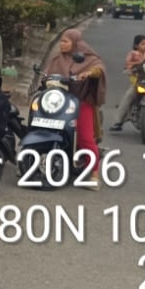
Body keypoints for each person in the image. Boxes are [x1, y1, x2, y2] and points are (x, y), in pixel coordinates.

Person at [43, 29, 106, 190]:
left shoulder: (89, 58)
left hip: (80, 101)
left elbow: (98, 69)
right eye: (61, 41)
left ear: (75, 43)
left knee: (85, 138)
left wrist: (88, 73)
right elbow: (46, 74)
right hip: (57, 101)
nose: (61, 44)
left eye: (65, 41)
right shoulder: (57, 58)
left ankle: (95, 175)